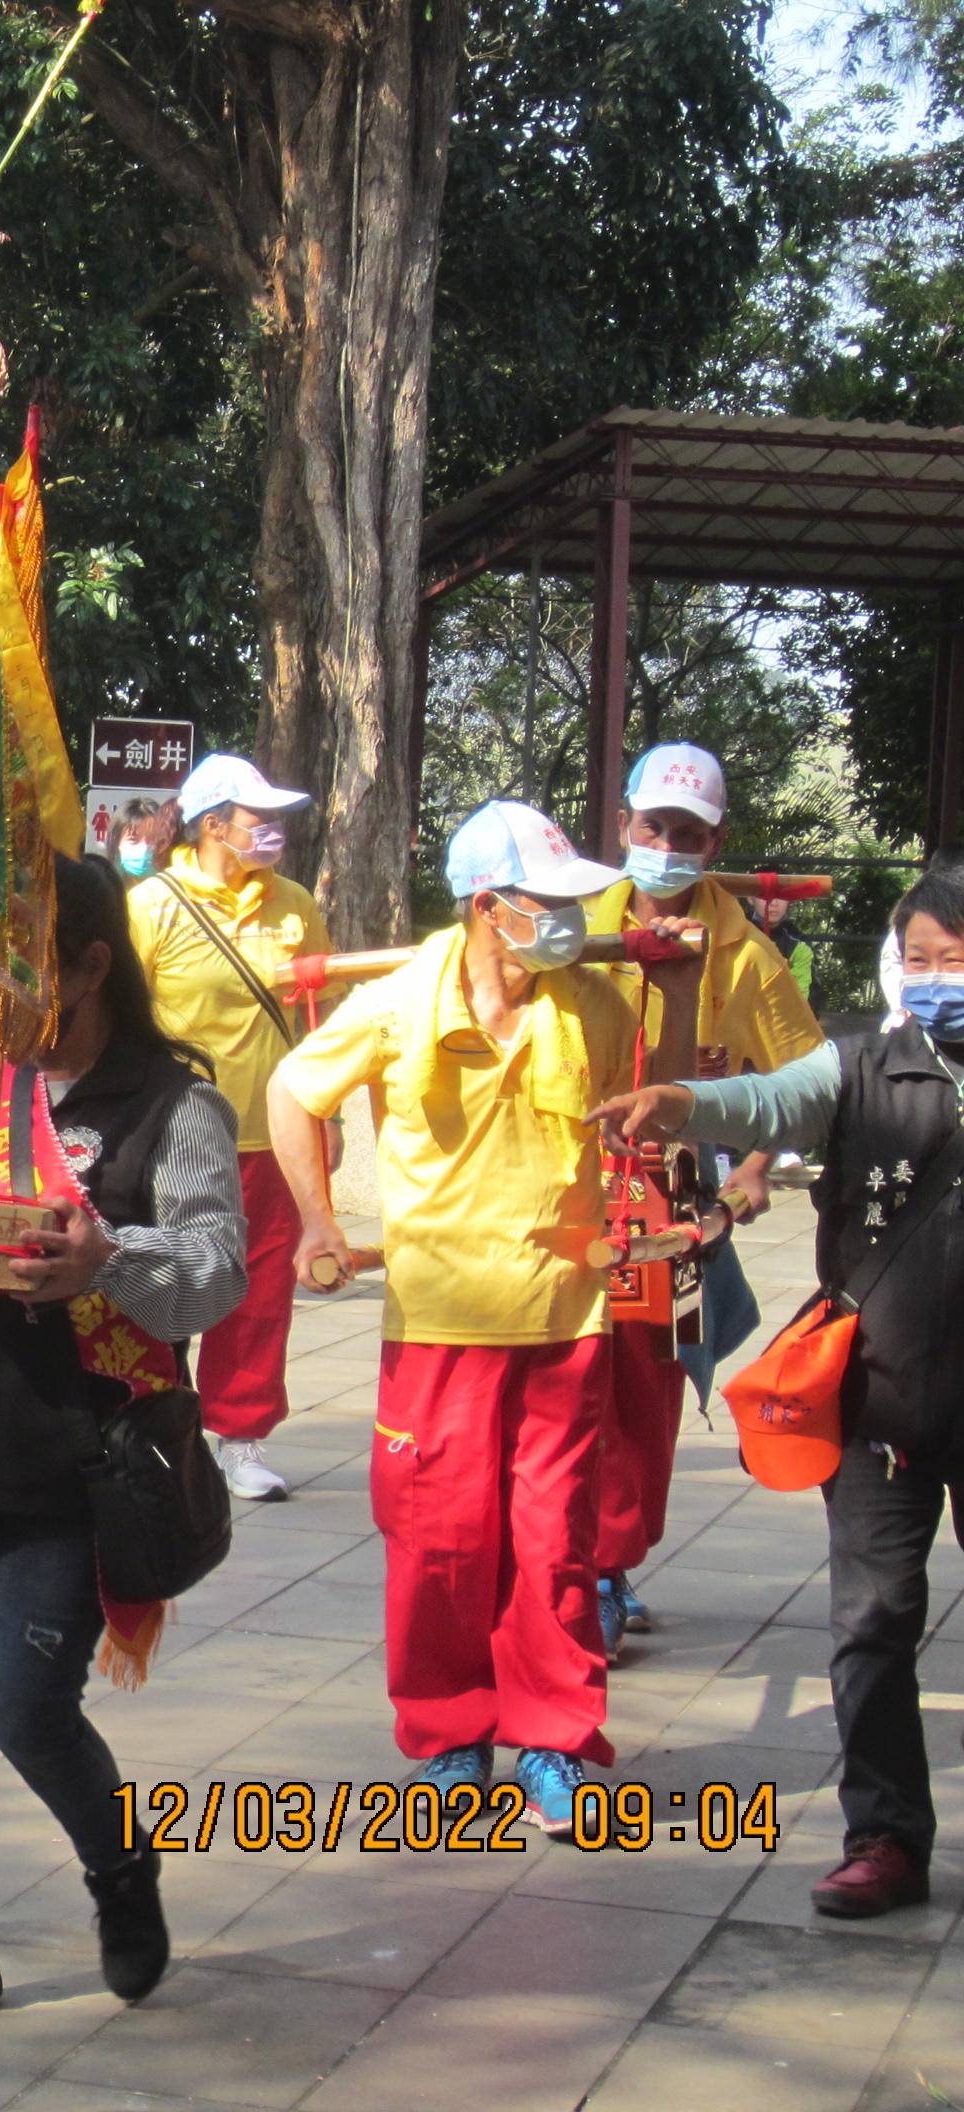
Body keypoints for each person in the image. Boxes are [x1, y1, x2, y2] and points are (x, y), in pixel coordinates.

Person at [0, 854, 246, 2021]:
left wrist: (104, 1259)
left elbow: (216, 1271)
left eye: (19, 971)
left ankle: (118, 1867)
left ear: (89, 966)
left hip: (83, 1450)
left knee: (19, 1701)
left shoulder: (173, 1106)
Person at [267, 800, 698, 1834]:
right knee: (437, 1543)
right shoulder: (397, 1002)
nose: (567, 920)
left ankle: (555, 1739)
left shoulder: (590, 1004)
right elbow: (292, 1091)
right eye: (545, 902)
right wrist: (317, 1220)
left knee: (555, 1541)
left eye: (571, 903)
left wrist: (678, 993)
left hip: (563, 1317)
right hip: (436, 1322)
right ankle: (447, 1736)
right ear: (487, 906)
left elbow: (663, 1094)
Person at [590, 862, 964, 1918]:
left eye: (956, 959)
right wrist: (681, 1101)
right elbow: (769, 1098)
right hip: (880, 1404)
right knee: (871, 1623)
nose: (936, 978)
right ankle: (884, 1838)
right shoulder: (861, 1068)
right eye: (920, 959)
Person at [581, 742, 821, 1651]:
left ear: (716, 844)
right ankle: (564, 1558)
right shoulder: (574, 925)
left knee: (645, 1386)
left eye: (688, 835)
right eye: (654, 828)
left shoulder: (746, 955)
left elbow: (808, 1080)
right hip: (562, 1181)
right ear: (623, 825)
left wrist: (754, 1166)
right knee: (562, 1380)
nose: (667, 849)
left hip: (669, 1196)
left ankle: (606, 1566)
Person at [126, 753, 327, 1503]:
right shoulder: (153, 904)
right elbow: (123, 1015)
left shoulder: (294, 904)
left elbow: (321, 1019)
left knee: (262, 1291)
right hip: (180, 1133)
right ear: (213, 825)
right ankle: (150, 1422)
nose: (273, 831)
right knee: (162, 1279)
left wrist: (327, 1112)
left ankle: (241, 1438)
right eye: (258, 819)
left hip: (275, 1132)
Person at [110, 797, 176, 883]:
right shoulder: (103, 887)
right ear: (117, 842)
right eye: (133, 840)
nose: (144, 848)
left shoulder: (178, 889)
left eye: (153, 839)